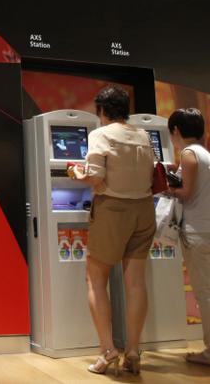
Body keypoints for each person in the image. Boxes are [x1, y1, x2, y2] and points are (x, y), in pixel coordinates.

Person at [70, 86, 155, 376]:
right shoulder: (142, 135)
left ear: (102, 110)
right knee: (136, 283)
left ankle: (107, 351)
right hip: (144, 209)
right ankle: (132, 351)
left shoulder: (100, 134)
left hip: (113, 210)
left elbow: (95, 177)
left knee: (95, 278)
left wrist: (76, 173)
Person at [167, 108, 210, 366]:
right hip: (206, 228)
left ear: (176, 131)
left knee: (204, 294)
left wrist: (167, 187)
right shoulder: (204, 153)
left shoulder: (188, 153)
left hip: (196, 232)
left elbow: (186, 193)